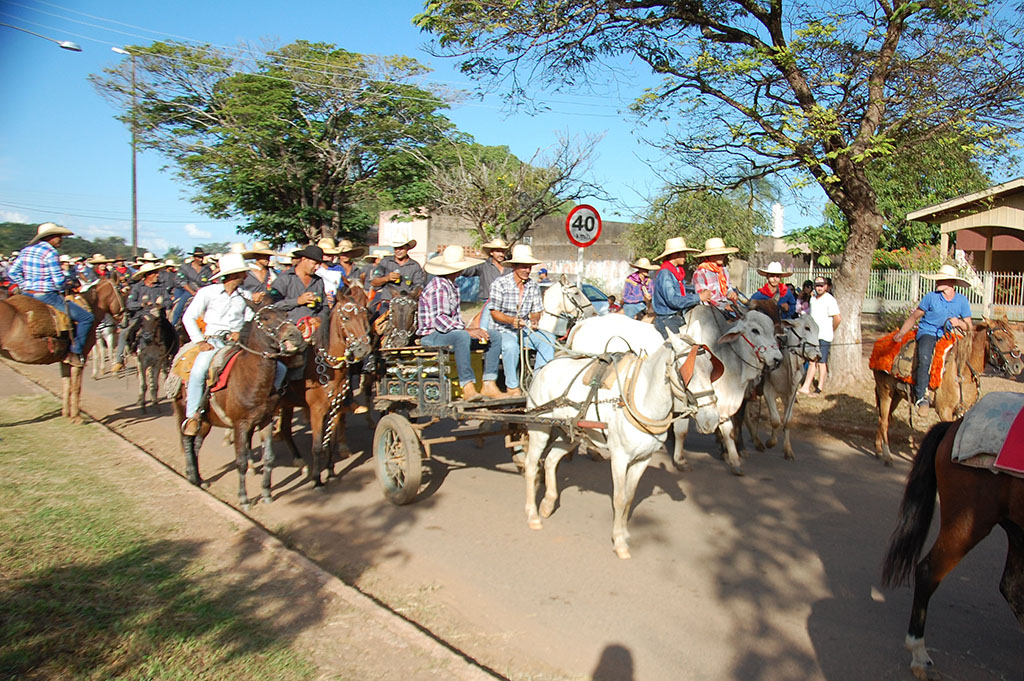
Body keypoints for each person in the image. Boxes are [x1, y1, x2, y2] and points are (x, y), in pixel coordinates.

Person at [179, 253, 258, 436]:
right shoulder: (207, 293)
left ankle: (268, 407)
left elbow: (250, 319)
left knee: (277, 368)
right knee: (199, 371)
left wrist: (242, 332)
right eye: (242, 273)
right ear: (233, 275)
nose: (246, 276)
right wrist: (200, 341)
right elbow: (189, 317)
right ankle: (193, 416)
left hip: (239, 343)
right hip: (213, 341)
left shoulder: (245, 295)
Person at [417, 245, 501, 400]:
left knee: (494, 336)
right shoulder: (438, 286)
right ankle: (467, 385)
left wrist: (469, 330)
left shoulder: (451, 286)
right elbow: (440, 321)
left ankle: (489, 383)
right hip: (432, 335)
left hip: (448, 333)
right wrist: (467, 330)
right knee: (461, 336)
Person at [6, 223, 94, 367]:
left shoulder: (26, 250)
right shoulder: (50, 252)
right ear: (50, 237)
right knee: (86, 318)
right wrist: (64, 285)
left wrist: (24, 284)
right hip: (46, 295)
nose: (61, 239)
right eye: (58, 236)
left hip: (27, 293)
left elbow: (12, 272)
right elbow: (58, 280)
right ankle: (74, 353)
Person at [893, 264, 973, 414]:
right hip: (928, 332)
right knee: (925, 358)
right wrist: (902, 333)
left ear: (951, 283)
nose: (937, 282)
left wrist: (959, 323)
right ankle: (921, 396)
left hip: (949, 335)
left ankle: (956, 394)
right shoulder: (931, 297)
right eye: (937, 279)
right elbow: (914, 317)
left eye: (941, 280)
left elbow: (969, 326)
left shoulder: (962, 301)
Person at [486, 244, 557, 397]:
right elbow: (494, 312)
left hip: (524, 329)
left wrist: (535, 320)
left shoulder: (533, 286)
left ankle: (538, 383)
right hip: (501, 330)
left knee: (549, 340)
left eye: (529, 267)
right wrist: (511, 320)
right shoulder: (499, 284)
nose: (527, 270)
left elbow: (536, 310)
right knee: (511, 346)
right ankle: (512, 387)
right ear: (514, 266)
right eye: (524, 267)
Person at [114, 261, 173, 370]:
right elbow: (130, 304)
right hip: (141, 316)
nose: (157, 275)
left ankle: (171, 355)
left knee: (172, 331)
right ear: (147, 275)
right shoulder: (137, 287)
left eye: (157, 273)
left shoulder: (161, 287)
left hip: (158, 316)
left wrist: (160, 305)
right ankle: (120, 359)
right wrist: (142, 304)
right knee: (124, 333)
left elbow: (169, 301)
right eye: (154, 273)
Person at [651, 236, 708, 338]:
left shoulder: (676, 272)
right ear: (675, 255)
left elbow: (683, 289)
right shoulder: (665, 274)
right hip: (667, 318)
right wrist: (698, 297)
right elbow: (673, 300)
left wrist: (696, 292)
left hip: (677, 317)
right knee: (679, 345)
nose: (685, 257)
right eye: (683, 254)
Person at [798, 276, 841, 395]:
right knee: (812, 361)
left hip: (824, 336)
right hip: (813, 336)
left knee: (822, 362)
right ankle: (806, 387)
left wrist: (831, 330)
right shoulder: (813, 299)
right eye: (817, 285)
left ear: (826, 286)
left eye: (822, 285)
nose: (819, 288)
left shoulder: (830, 300)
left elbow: (838, 318)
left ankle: (819, 388)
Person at [268, 244, 328, 324]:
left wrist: (319, 318)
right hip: (289, 327)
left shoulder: (318, 281)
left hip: (314, 328)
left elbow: (325, 306)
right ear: (304, 259)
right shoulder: (284, 279)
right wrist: (297, 301)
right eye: (315, 263)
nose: (317, 267)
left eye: (319, 265)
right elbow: (273, 305)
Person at [460, 237, 509, 330]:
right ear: (491, 252)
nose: (501, 254)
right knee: (484, 327)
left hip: (507, 302)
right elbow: (467, 271)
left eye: (503, 251)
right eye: (498, 251)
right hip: (488, 301)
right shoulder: (483, 266)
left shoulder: (509, 268)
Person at [369, 237, 425, 317]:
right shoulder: (385, 262)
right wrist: (387, 278)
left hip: (407, 305)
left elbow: (419, 286)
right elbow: (374, 282)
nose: (398, 251)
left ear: (407, 248)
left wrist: (411, 296)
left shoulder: (415, 266)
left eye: (401, 248)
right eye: (396, 248)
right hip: (387, 303)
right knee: (372, 321)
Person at [692, 237, 740, 317]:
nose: (722, 256)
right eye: (718, 254)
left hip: (726, 305)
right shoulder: (700, 273)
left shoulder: (723, 270)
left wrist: (731, 293)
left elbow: (728, 289)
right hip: (709, 311)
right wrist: (722, 306)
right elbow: (704, 300)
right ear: (709, 255)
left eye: (723, 254)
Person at [174, 247, 214, 326]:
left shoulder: (207, 269)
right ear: (194, 257)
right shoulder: (185, 267)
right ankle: (174, 324)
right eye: (199, 257)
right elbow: (181, 280)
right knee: (180, 306)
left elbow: (210, 280)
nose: (201, 259)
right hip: (189, 291)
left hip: (204, 292)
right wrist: (192, 292)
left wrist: (203, 290)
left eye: (202, 257)